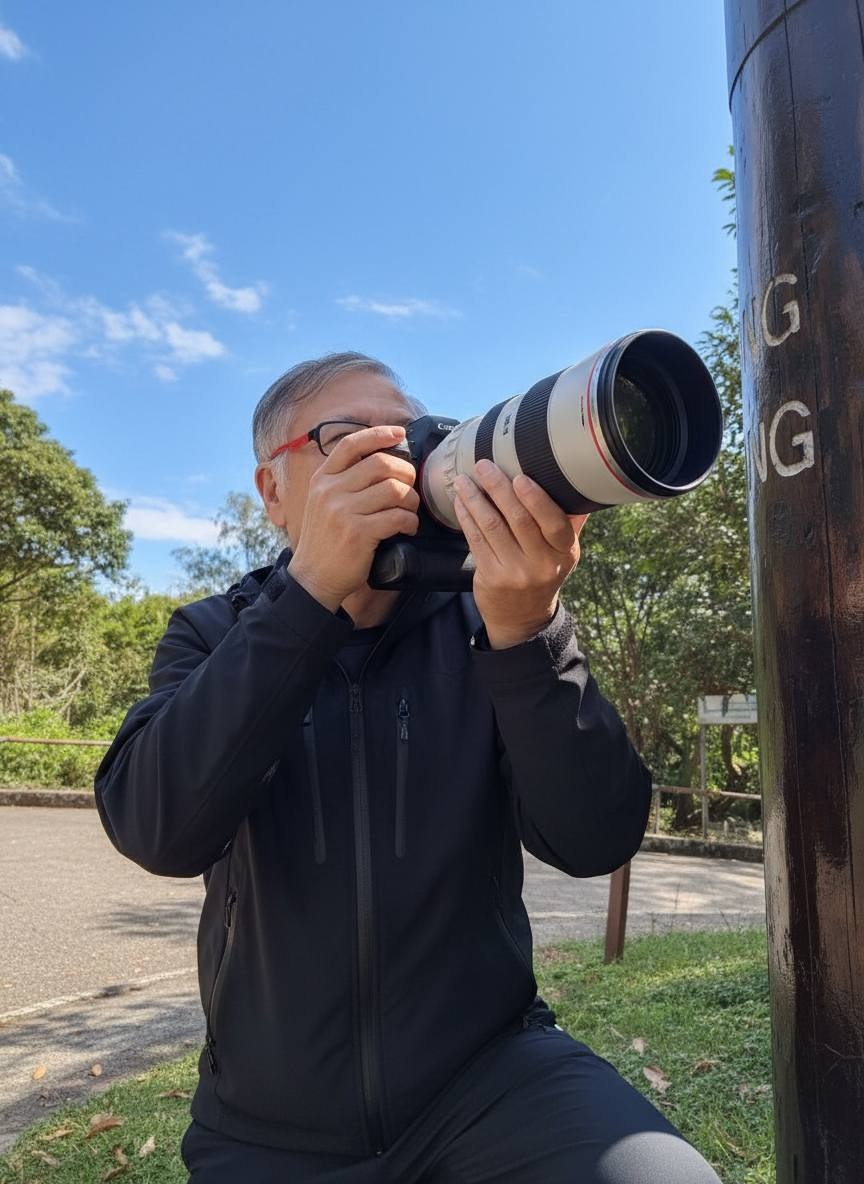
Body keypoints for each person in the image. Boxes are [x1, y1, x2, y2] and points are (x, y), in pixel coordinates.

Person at [94, 352, 721, 1183]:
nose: (396, 465)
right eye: (350, 441)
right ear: (272, 493)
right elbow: (156, 827)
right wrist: (310, 596)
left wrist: (531, 635)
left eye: (414, 439)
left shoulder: (488, 621)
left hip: (490, 1079)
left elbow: (594, 837)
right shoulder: (217, 633)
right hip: (268, 1123)